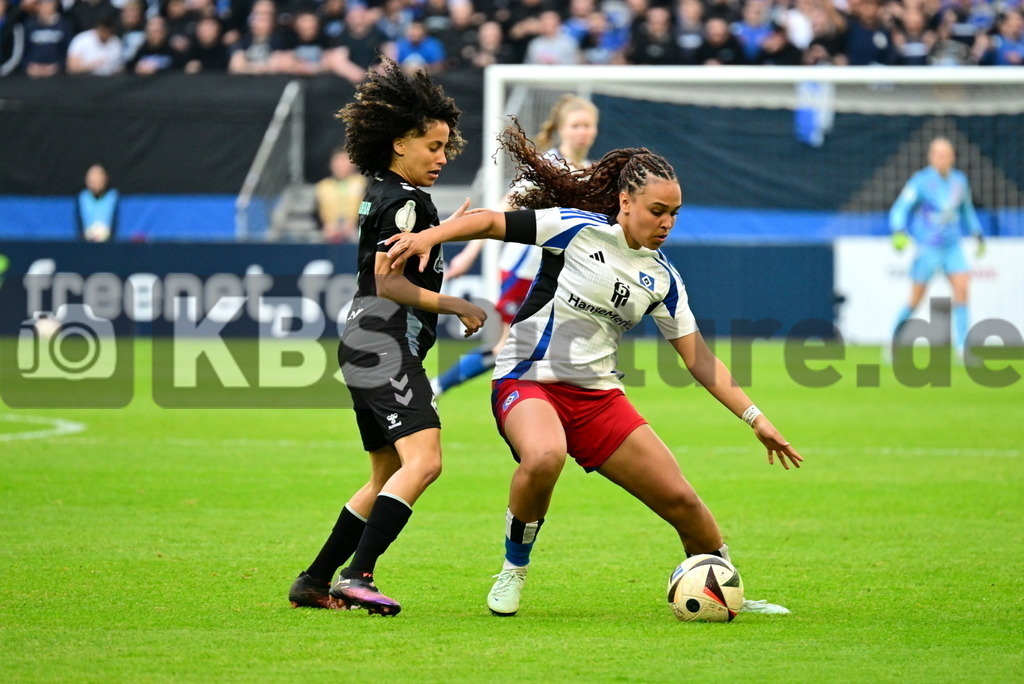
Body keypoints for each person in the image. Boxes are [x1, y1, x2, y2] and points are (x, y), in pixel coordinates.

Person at [385, 119, 803, 618]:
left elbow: (700, 360)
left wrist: (757, 419)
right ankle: (513, 570)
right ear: (626, 202)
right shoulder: (575, 228)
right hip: (526, 380)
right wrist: (428, 237)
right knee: (544, 456)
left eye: (674, 213)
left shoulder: (663, 279)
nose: (667, 222)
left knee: (683, 502)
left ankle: (724, 588)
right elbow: (490, 223)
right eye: (657, 211)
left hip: (598, 396)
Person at [287, 58, 484, 616]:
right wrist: (456, 304)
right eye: (433, 146)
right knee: (424, 460)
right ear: (399, 143)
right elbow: (387, 280)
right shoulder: (404, 202)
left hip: (365, 343)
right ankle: (359, 575)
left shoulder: (385, 193)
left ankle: (315, 580)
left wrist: (444, 231)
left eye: (447, 147)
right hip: (385, 343)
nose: (443, 157)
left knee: (387, 472)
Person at [432, 94, 599, 397]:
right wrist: (470, 254)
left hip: (560, 274)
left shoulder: (591, 173)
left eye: (588, 125)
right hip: (523, 269)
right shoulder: (546, 166)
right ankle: (436, 387)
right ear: (562, 129)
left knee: (550, 347)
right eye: (576, 125)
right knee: (503, 347)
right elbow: (503, 207)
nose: (582, 132)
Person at [889, 137, 984, 361]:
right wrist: (899, 230)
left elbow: (967, 211)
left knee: (962, 290)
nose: (941, 159)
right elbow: (900, 207)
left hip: (953, 247)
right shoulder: (920, 182)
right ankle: (894, 341)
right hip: (928, 248)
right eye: (937, 154)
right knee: (915, 299)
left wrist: (977, 233)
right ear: (931, 157)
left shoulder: (960, 181)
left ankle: (962, 347)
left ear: (952, 157)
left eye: (946, 154)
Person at [314, 147, 366, 243]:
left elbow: (368, 206)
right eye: (338, 161)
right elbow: (315, 212)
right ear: (332, 164)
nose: (341, 165)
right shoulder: (323, 186)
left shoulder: (362, 183)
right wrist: (325, 226)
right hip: (329, 231)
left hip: (356, 230)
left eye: (345, 161)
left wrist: (356, 223)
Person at [77, 163, 119, 242]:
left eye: (98, 177)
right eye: (92, 178)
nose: (95, 180)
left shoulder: (113, 197)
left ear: (105, 179)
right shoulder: (82, 198)